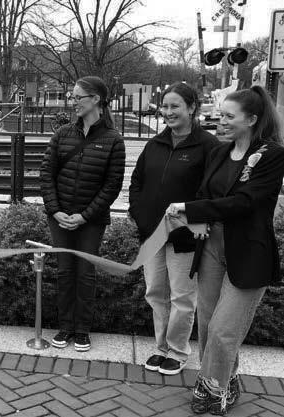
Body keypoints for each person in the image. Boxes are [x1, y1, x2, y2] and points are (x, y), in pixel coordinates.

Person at [166, 86, 284, 415]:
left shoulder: (272, 155)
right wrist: (195, 218)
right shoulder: (220, 153)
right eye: (221, 115)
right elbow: (205, 193)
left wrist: (190, 209)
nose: (221, 121)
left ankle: (211, 387)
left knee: (224, 330)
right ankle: (227, 380)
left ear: (252, 119)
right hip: (211, 247)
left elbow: (244, 202)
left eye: (229, 116)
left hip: (248, 252)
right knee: (208, 325)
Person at [128, 83, 220, 375]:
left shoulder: (208, 146)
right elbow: (137, 183)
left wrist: (194, 219)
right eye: (165, 106)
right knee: (155, 292)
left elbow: (213, 191)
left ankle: (178, 351)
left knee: (182, 297)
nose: (168, 112)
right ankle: (161, 348)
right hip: (152, 235)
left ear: (192, 108)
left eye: (175, 106)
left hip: (185, 236)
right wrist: (140, 216)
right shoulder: (154, 144)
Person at [39, 76, 125, 352]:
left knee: (85, 273)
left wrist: (85, 216)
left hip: (91, 221)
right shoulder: (63, 134)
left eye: (78, 97)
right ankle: (65, 327)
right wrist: (56, 211)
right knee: (65, 271)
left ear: (96, 99)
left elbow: (112, 186)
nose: (73, 102)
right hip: (60, 218)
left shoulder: (113, 140)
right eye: (72, 97)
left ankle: (82, 330)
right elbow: (46, 174)